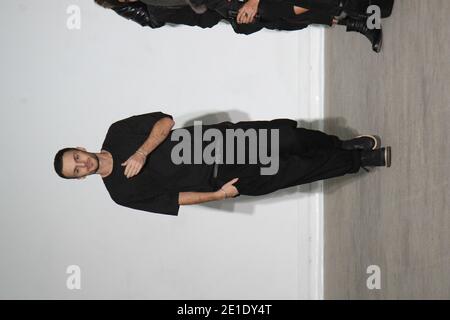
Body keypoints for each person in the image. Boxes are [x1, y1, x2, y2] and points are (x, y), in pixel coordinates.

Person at [53, 112, 392, 216]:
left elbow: (164, 122)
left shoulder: (117, 133)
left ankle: (340, 145)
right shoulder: (120, 194)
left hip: (222, 142)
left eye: (76, 158)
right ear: (80, 179)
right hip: (222, 177)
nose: (82, 164)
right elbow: (174, 200)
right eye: (76, 170)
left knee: (291, 139)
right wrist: (218, 196)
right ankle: (359, 159)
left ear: (81, 148)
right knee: (295, 171)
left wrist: (142, 152)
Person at [94, 0, 395, 53]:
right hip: (226, 10)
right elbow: (154, 21)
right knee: (287, 20)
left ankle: (356, 11)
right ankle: (358, 20)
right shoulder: (155, 8)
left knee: (278, 9)